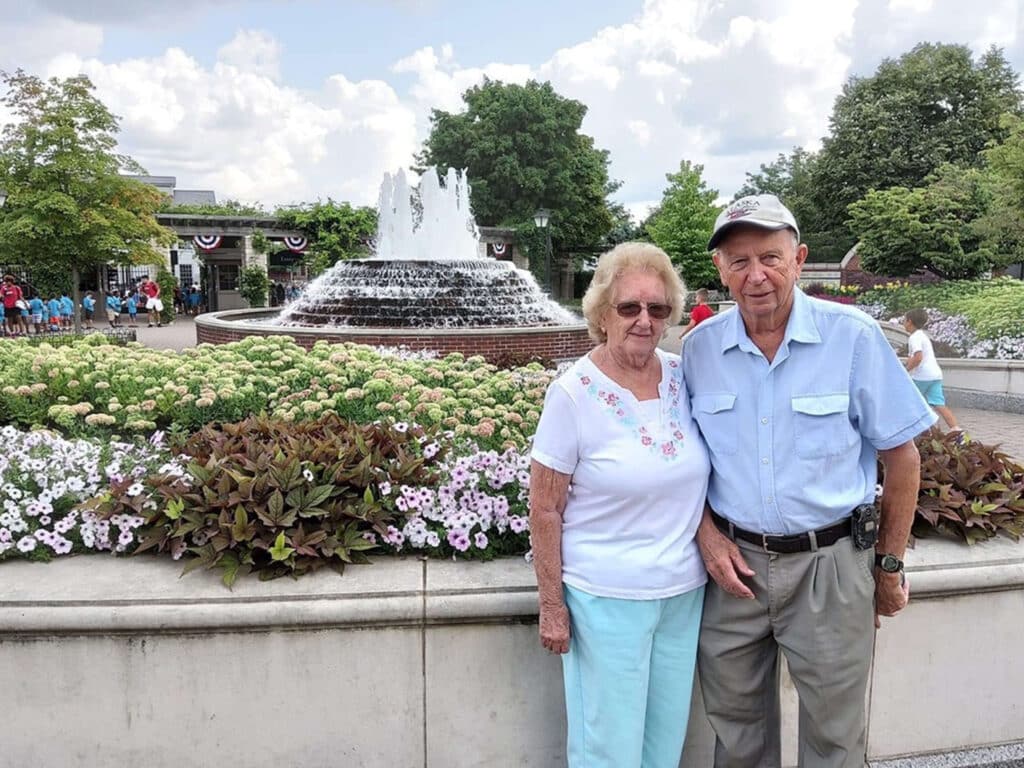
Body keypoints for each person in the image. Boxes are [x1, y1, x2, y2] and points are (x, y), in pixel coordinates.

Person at [681, 194, 936, 768]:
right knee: (737, 738)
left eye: (769, 257)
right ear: (720, 271)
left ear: (798, 258)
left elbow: (904, 458)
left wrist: (889, 566)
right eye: (738, 261)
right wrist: (704, 532)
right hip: (733, 569)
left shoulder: (853, 337)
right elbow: (680, 463)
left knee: (835, 739)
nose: (756, 276)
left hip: (831, 566)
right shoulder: (698, 351)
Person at [530, 242, 709, 768]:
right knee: (607, 748)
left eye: (657, 308)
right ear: (602, 315)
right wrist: (552, 607)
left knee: (663, 743)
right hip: (605, 599)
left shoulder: (682, 377)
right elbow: (545, 509)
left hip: (682, 593)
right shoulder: (573, 394)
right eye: (629, 307)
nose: (643, 320)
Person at [903, 308, 961, 435]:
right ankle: (957, 432)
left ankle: (916, 432)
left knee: (911, 402)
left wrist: (905, 370)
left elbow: (918, 357)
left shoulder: (914, 337)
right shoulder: (922, 336)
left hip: (922, 376)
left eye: (904, 320)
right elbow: (912, 357)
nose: (903, 323)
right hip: (935, 375)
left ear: (910, 321)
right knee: (939, 404)